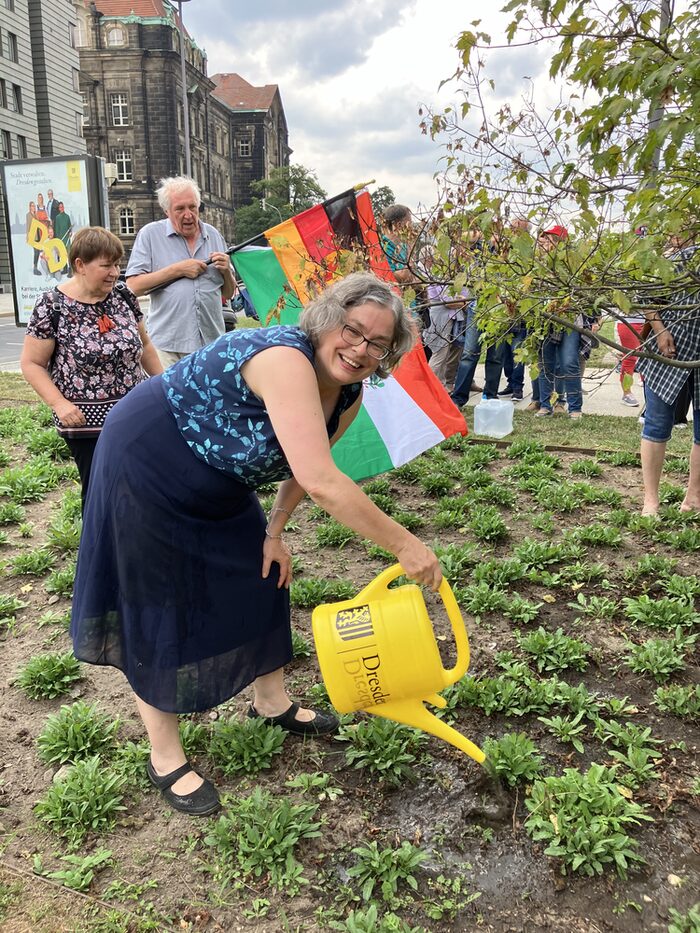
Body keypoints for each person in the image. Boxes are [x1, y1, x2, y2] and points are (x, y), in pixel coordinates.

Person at [70, 271, 443, 817]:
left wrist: (274, 532)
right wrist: (406, 545)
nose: (360, 349)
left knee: (263, 571)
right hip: (146, 460)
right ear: (327, 320)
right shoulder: (285, 359)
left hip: (217, 474)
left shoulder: (348, 392)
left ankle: (271, 702)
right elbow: (322, 481)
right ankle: (165, 754)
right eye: (352, 330)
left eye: (377, 344)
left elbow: (307, 465)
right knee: (161, 601)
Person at [20, 227, 162, 505]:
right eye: (106, 265)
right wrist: (60, 405)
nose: (114, 272)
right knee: (101, 492)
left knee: (140, 485)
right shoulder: (53, 305)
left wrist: (164, 383)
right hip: (86, 423)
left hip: (134, 412)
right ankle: (100, 546)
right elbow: (31, 363)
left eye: (117, 264)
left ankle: (137, 545)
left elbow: (145, 346)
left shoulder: (123, 296)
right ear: (80, 265)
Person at [126, 175, 235, 368]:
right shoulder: (150, 235)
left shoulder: (214, 235)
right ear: (167, 211)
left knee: (207, 398)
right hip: (168, 347)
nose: (188, 215)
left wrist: (226, 272)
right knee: (172, 398)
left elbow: (227, 293)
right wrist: (178, 269)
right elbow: (133, 286)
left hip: (210, 343)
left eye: (192, 207)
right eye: (180, 209)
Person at [637, 235, 700, 515]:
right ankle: (650, 500)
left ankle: (693, 498)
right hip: (669, 352)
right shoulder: (680, 260)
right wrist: (660, 330)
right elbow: (646, 298)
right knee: (656, 425)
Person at [534, 225, 584, 419]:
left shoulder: (571, 264)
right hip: (544, 321)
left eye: (549, 239)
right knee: (545, 363)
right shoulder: (536, 265)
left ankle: (575, 408)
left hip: (568, 320)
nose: (544, 242)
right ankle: (546, 405)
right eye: (544, 239)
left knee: (569, 362)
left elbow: (578, 293)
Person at [53, 202, 73, 274]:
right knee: (62, 254)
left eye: (62, 206)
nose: (61, 208)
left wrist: (70, 232)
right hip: (60, 239)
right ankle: (65, 268)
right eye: (60, 207)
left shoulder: (67, 216)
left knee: (68, 254)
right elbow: (56, 229)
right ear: (59, 208)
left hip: (67, 238)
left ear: (63, 207)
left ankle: (70, 269)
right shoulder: (57, 217)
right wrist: (58, 240)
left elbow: (69, 227)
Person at [26, 200, 41, 276]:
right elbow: (28, 226)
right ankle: (35, 268)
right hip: (33, 237)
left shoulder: (36, 215)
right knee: (36, 252)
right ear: (30, 207)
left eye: (34, 206)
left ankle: (36, 267)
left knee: (38, 252)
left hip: (38, 236)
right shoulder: (28, 215)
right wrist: (28, 237)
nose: (33, 207)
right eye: (32, 206)